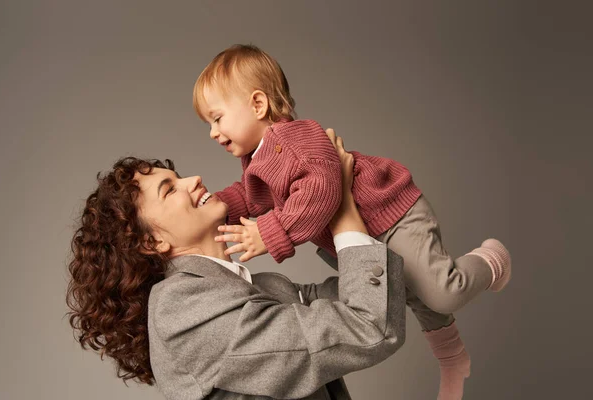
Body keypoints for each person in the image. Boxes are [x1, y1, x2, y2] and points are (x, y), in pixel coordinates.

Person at [192, 44, 512, 400]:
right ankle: (452, 359)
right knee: (413, 295)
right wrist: (219, 205)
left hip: (392, 214)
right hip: (368, 234)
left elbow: (323, 188)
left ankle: (493, 261)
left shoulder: (294, 139)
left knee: (442, 292)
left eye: (217, 118)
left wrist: (272, 232)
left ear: (257, 104)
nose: (212, 132)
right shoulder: (260, 157)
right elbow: (251, 195)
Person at [66, 130, 407, 399]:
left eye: (178, 176)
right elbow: (370, 326)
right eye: (170, 190)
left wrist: (317, 195)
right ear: (152, 242)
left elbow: (378, 298)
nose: (194, 180)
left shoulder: (265, 288)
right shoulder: (180, 309)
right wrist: (342, 204)